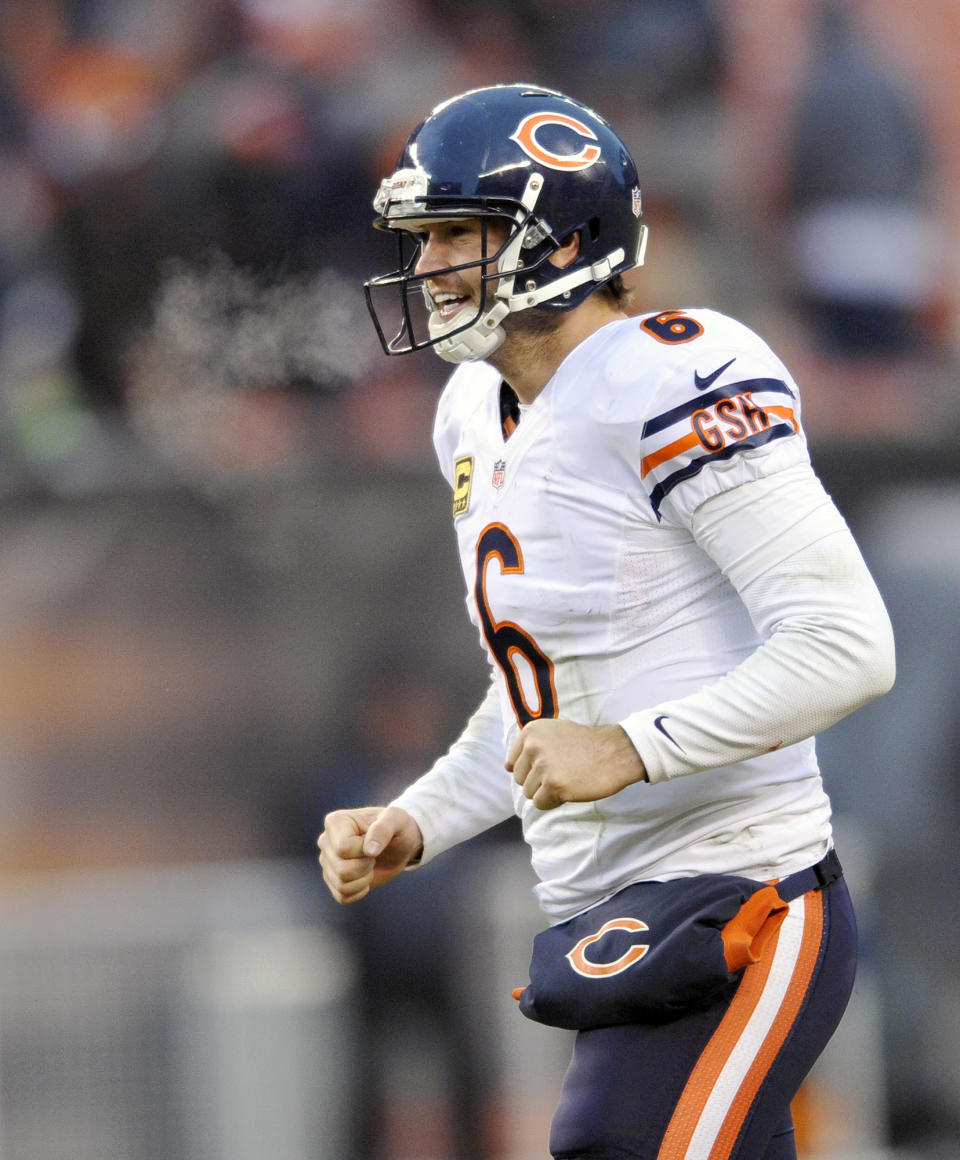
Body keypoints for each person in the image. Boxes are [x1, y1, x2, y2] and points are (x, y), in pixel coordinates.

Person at [317, 83, 896, 1160]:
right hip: (614, 922)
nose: (432, 261)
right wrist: (422, 819)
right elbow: (544, 700)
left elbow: (846, 644)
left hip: (746, 894)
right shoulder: (471, 411)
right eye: (427, 233)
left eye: (461, 232)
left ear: (561, 238)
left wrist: (629, 750)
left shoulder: (671, 371)